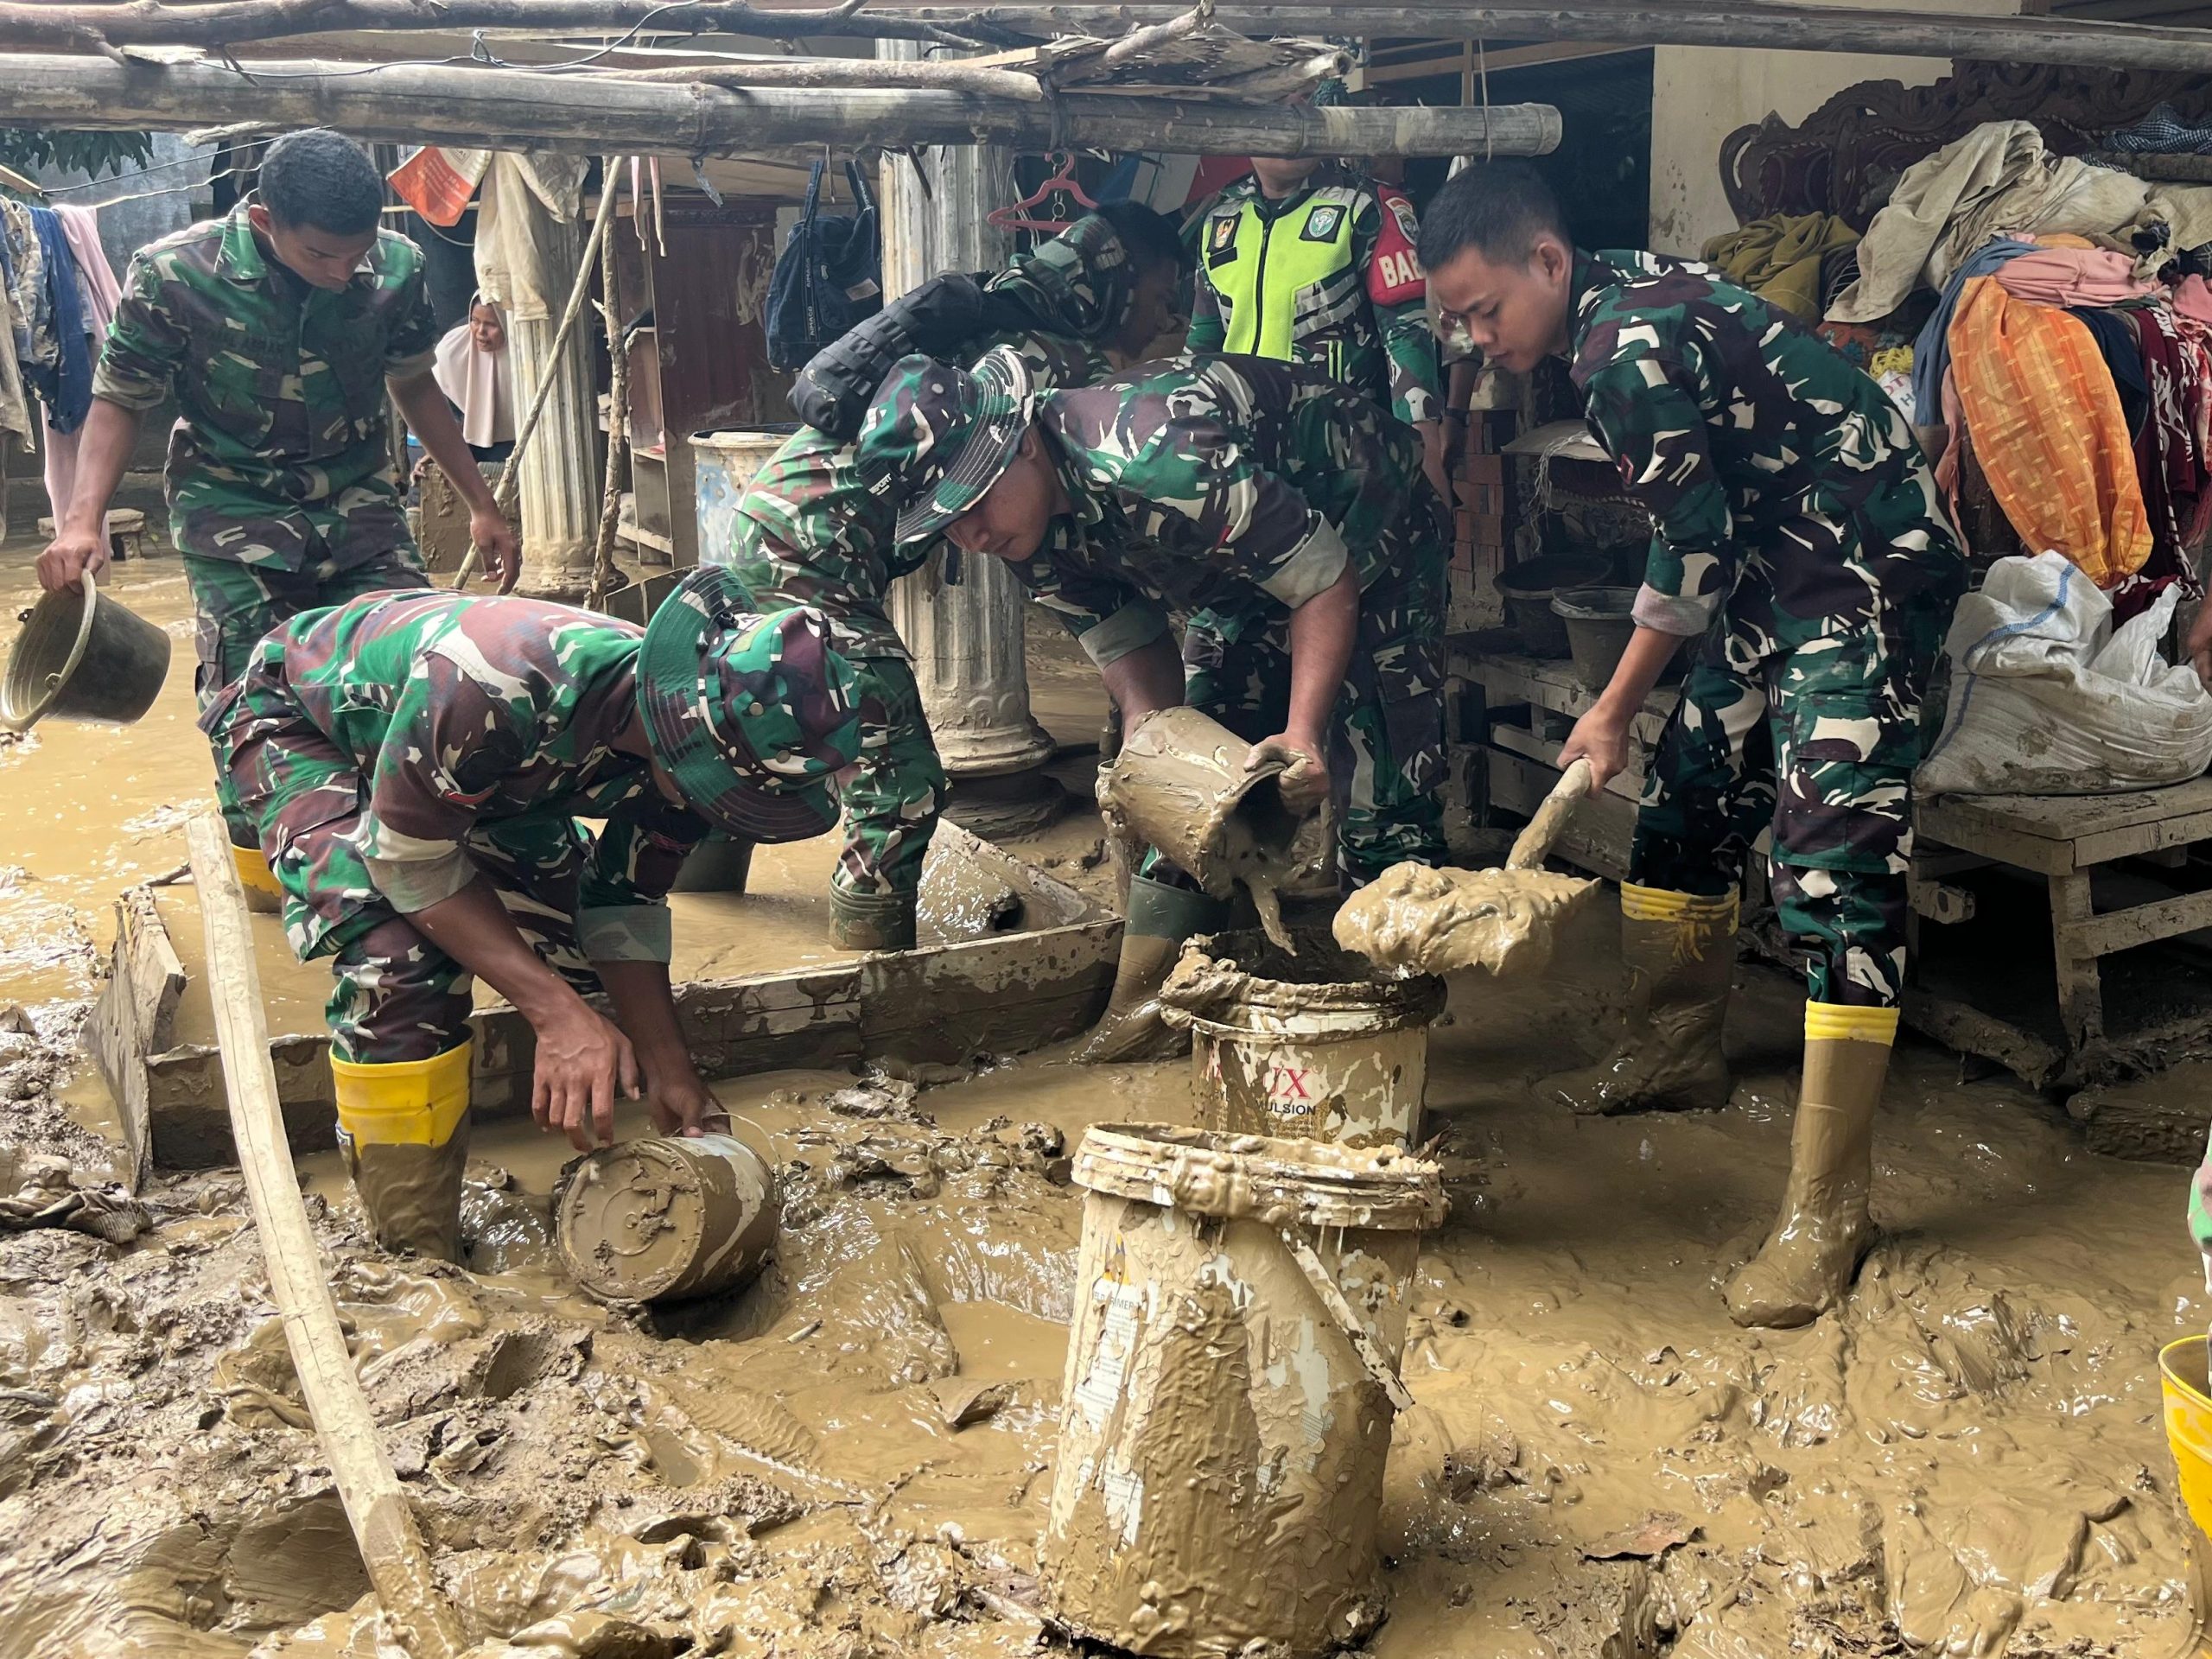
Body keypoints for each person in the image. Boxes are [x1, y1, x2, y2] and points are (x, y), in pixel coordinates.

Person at [1421, 162, 1966, 1329]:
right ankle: (1674, 1046)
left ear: (1548, 265)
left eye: (1484, 311)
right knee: (1691, 795)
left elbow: (1692, 555)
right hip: (1782, 558)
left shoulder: (1622, 344)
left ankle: (1830, 1208)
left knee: (1831, 856)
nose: (1473, 340)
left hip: (1862, 561)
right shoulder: (1606, 300)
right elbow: (1711, 533)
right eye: (1455, 321)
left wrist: (1609, 708)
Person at [204, 566, 861, 1260]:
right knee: (400, 960)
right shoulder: (495, 681)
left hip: (488, 778)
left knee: (589, 978)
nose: (721, 808)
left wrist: (673, 1069)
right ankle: (414, 1248)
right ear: (684, 737)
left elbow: (623, 899)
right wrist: (552, 1014)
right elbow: (407, 861)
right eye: (725, 790)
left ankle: (607, 1185)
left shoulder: (700, 751)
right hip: (306, 723)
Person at [872, 345, 1449, 1058]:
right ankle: (1145, 1011)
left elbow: (1324, 581)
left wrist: (1303, 731)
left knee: (1381, 788)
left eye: (973, 504)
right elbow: (1128, 644)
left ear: (1022, 443)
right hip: (1231, 583)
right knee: (1195, 802)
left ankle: (1397, 1028)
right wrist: (1155, 742)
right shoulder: (1023, 534)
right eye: (945, 524)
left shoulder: (1157, 460)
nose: (973, 535)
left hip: (1372, 534)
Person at [36, 128, 519, 899]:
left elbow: (416, 386)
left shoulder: (395, 269)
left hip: (359, 510)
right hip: (231, 515)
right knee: (249, 699)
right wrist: (82, 521)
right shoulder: (172, 276)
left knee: (415, 676)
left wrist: (482, 505)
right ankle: (270, 878)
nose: (344, 272)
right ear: (266, 222)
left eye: (356, 253)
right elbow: (120, 399)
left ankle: (402, 855)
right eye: (323, 256)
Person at [712, 204, 1192, 953]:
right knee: (899, 783)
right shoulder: (1063, 369)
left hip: (764, 527)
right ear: (1125, 282)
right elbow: (1081, 544)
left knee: (752, 727)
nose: (1167, 322)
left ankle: (706, 898)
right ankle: (872, 989)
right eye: (1166, 299)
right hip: (816, 554)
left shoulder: (995, 326)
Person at [1186, 135, 1447, 501]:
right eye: (1276, 113)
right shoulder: (1221, 216)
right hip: (1242, 458)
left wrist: (1426, 450)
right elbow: (1202, 347)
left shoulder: (1368, 206)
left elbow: (1407, 336)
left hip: (1347, 462)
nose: (1289, 134)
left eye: (1304, 107)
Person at [430, 292, 514, 460]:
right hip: (465, 443)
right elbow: (445, 417)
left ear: (507, 324)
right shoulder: (451, 351)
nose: (480, 332)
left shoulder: (523, 358)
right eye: (475, 321)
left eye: (491, 325)